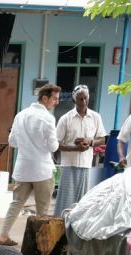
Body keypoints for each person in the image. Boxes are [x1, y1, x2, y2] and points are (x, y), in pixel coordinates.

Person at [0, 83, 61, 246]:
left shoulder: (21, 115)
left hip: (23, 168)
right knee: (42, 210)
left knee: (16, 203)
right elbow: (53, 146)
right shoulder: (48, 118)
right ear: (44, 98)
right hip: (42, 170)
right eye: (54, 99)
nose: (56, 102)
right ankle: (40, 243)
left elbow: (12, 142)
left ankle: (3, 235)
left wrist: (27, 143)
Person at [54, 85, 106, 216]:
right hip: (69, 165)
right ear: (74, 100)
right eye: (80, 99)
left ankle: (76, 229)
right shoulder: (66, 119)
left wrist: (90, 142)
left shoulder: (95, 117)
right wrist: (75, 148)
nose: (83, 101)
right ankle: (61, 226)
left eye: (85, 98)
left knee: (81, 203)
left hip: (85, 165)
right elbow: (56, 144)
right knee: (65, 202)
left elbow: (102, 139)